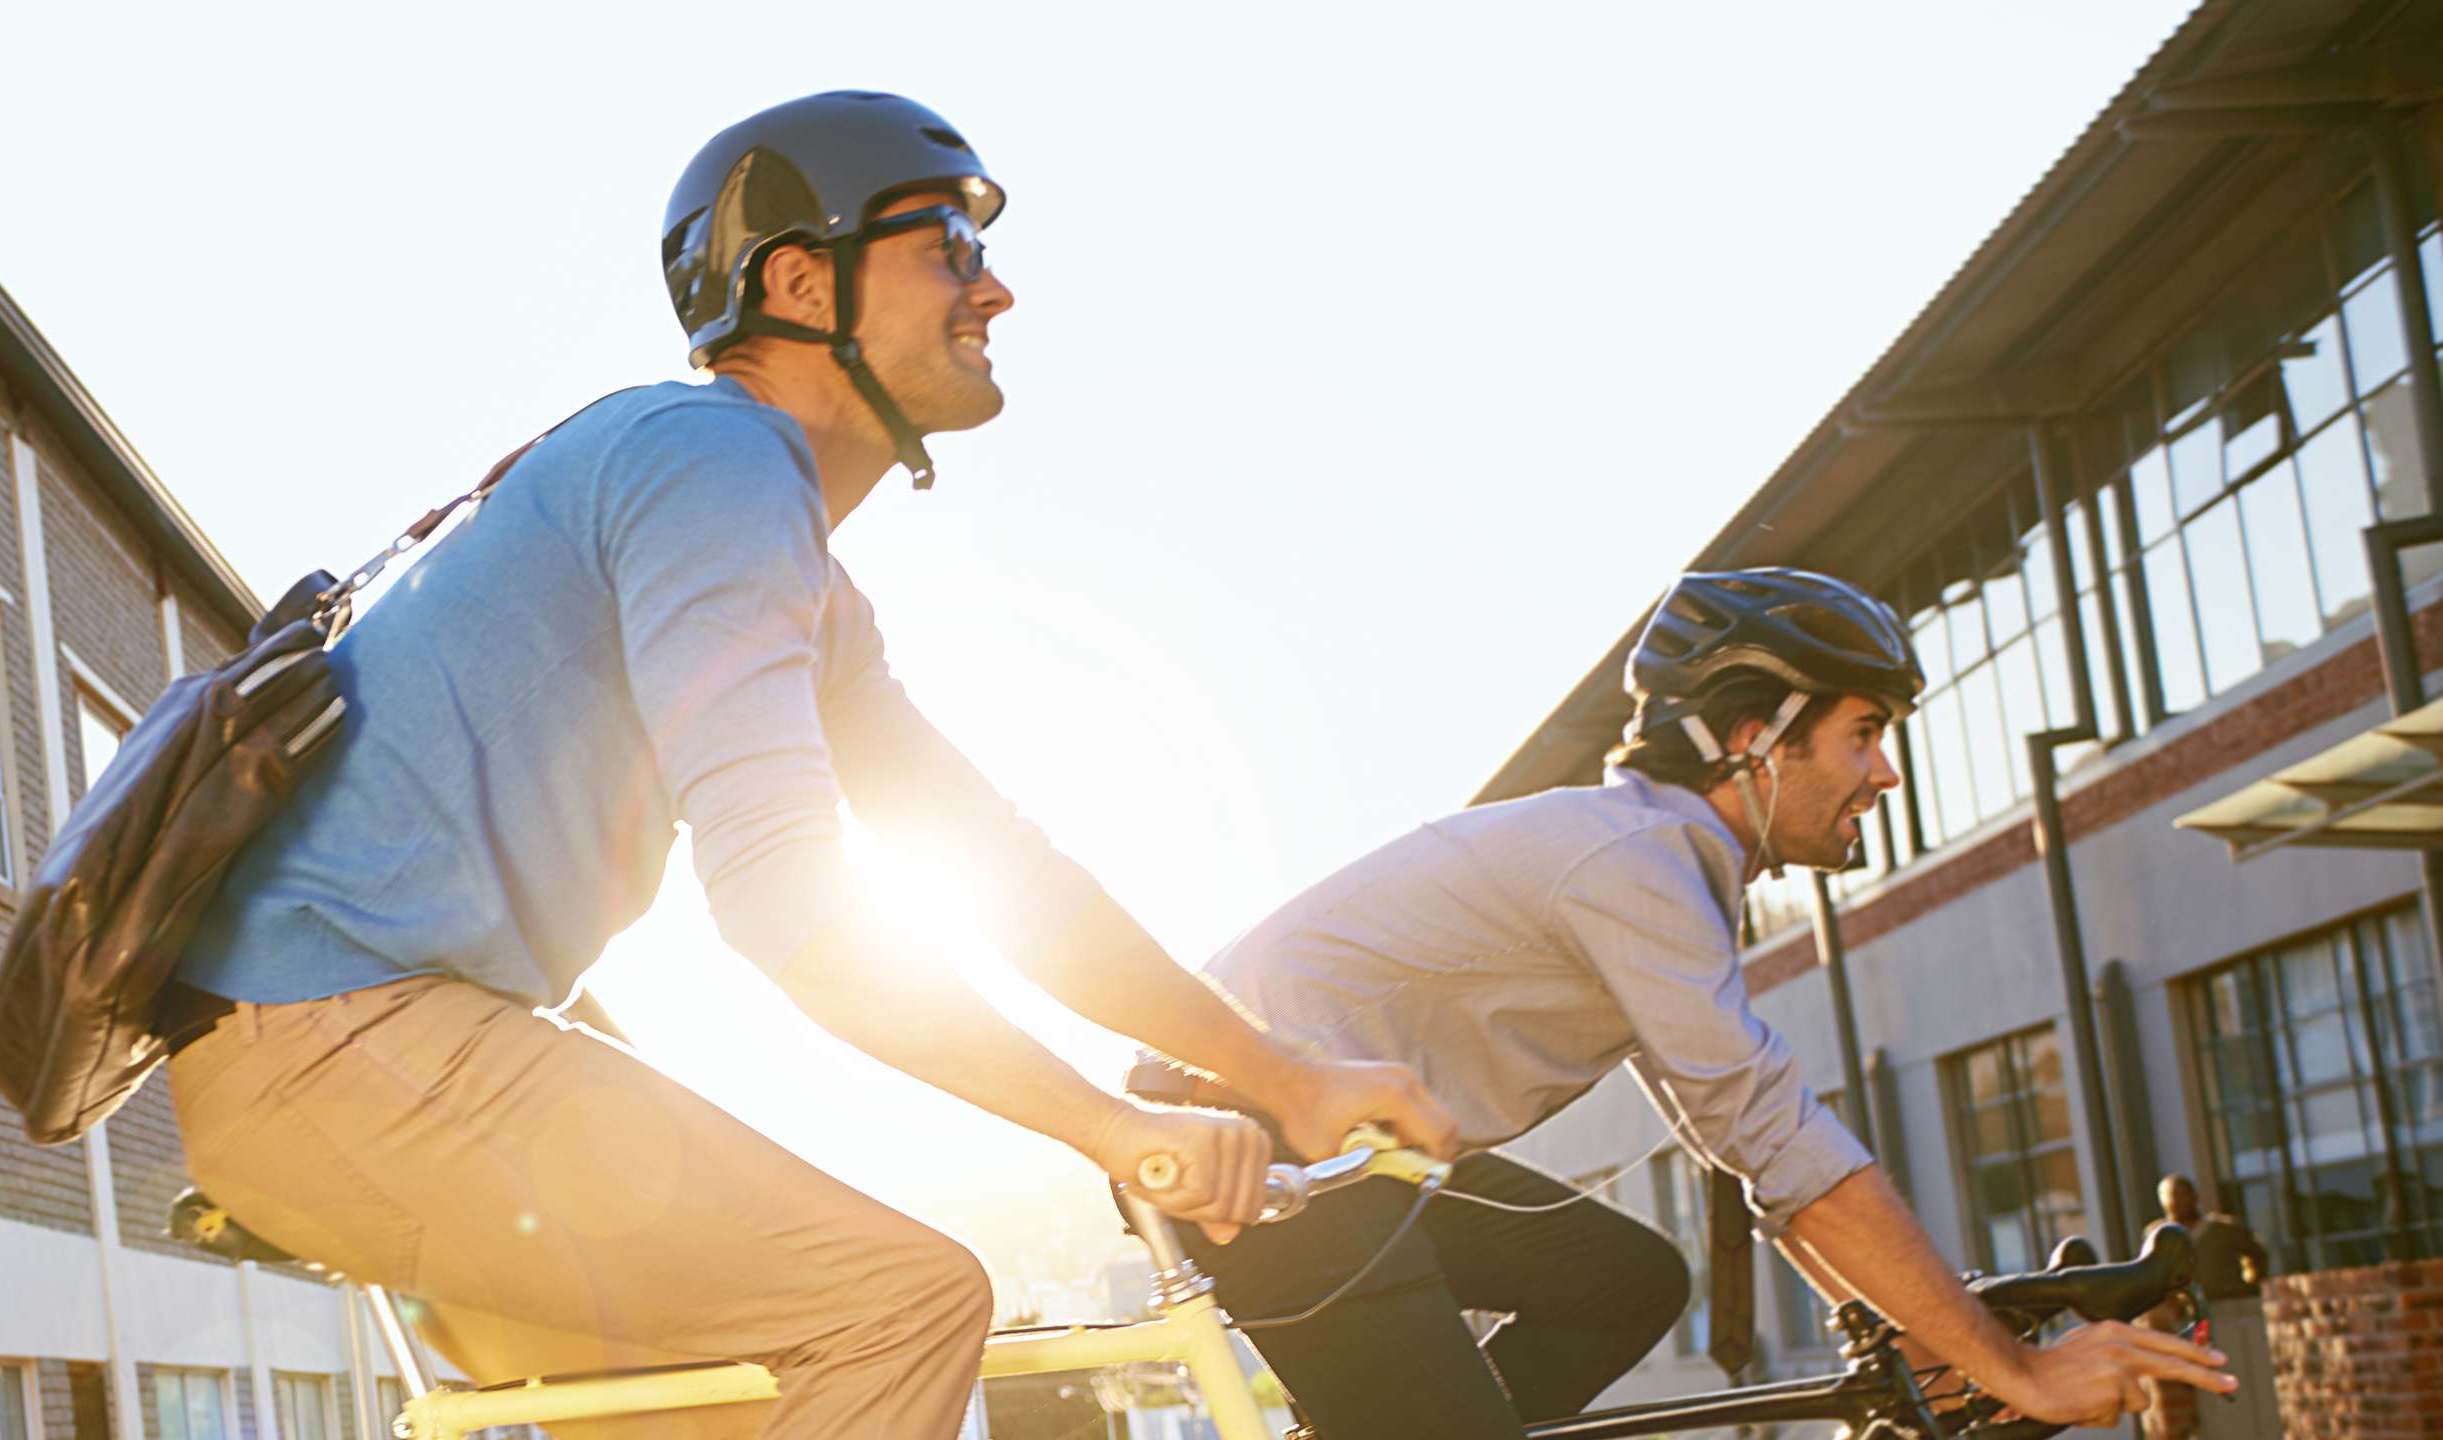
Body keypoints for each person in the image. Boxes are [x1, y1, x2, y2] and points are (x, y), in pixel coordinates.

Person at [157, 91, 1457, 1440]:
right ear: (797, 277)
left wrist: (1284, 1076)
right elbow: (785, 902)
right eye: (949, 243)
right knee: (898, 1310)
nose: (995, 289)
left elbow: (1001, 867)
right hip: (343, 1042)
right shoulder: (712, 463)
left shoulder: (798, 581)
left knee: (759, 1406)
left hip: (359, 1054)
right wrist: (1105, 1127)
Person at [1172, 569, 2237, 1439]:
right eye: (1865, 732)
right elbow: (1774, 1133)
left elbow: (1740, 1142)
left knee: (1624, 1281)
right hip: (1257, 1140)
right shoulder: (1636, 864)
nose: (1886, 773)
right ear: (1755, 740)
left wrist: (1910, 1330)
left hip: (1341, 1145)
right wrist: (2016, 1370)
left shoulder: (1658, 866)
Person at [2147, 1175, 2274, 1440]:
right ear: (2162, 1201)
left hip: (2230, 1314)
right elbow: (2151, 1274)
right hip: (2190, 1322)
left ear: (2196, 1197)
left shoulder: (2223, 1230)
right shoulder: (2158, 1237)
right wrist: (2168, 1304)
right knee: (2198, 1379)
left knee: (2242, 1373)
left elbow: (2257, 1255)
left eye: (2184, 1193)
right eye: (2172, 1195)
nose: (2178, 1201)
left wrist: (2247, 1287)